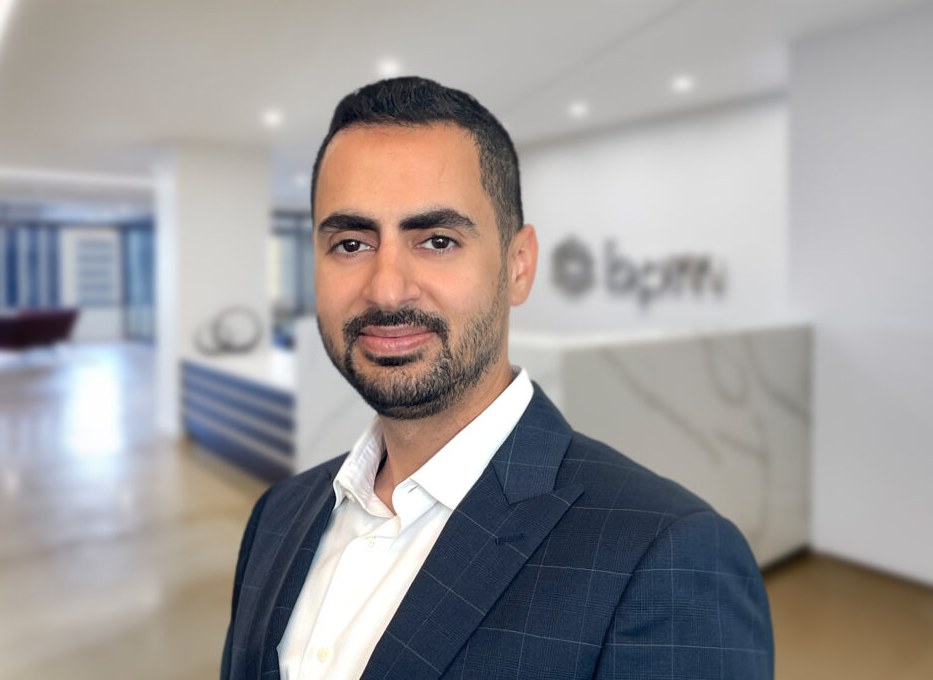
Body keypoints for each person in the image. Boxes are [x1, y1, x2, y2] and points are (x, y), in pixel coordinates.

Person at [221, 76, 774, 680]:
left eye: (436, 240)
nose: (384, 288)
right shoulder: (277, 516)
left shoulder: (668, 558)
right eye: (351, 243)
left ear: (518, 266)